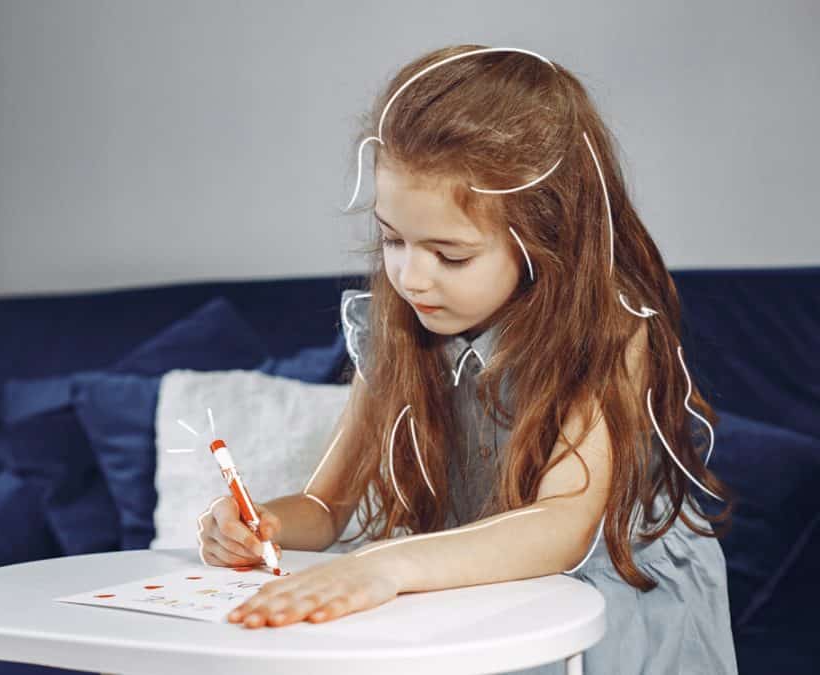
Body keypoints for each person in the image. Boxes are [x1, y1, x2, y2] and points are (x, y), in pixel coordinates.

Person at [197, 44, 738, 674]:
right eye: (392, 239)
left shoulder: (608, 333)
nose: (410, 278)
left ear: (547, 238)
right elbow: (326, 508)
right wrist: (260, 522)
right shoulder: (396, 327)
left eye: (450, 255)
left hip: (607, 601)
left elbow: (564, 522)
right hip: (474, 588)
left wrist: (383, 565)